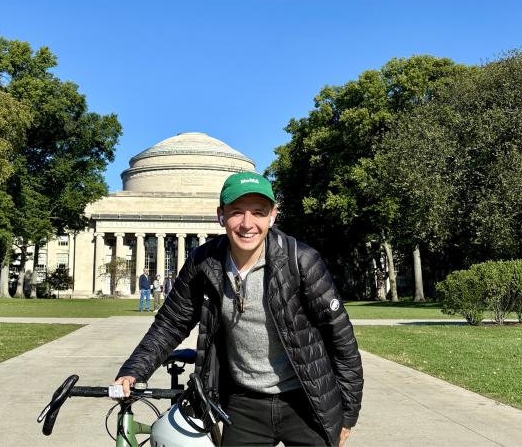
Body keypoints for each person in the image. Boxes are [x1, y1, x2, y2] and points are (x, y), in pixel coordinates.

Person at [113, 171, 363, 447]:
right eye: (236, 212)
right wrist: (134, 370)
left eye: (258, 212)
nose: (247, 224)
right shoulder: (204, 263)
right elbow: (171, 323)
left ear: (273, 215)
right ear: (221, 215)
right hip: (244, 405)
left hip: (305, 401)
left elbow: (341, 341)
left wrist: (347, 415)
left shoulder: (301, 262)